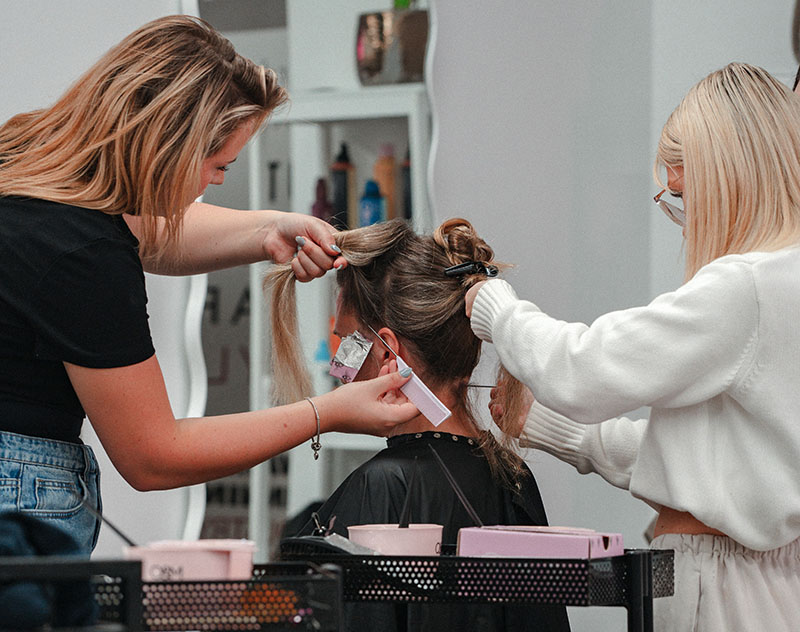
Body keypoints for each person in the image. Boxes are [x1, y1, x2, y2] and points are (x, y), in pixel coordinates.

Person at [0, 15, 417, 557]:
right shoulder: (81, 253)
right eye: (218, 164)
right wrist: (328, 412)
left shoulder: (24, 158)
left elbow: (136, 227)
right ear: (167, 146)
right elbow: (153, 455)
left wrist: (269, 229)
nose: (217, 181)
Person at [464, 62, 800, 632]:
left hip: (725, 592)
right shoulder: (781, 283)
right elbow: (708, 459)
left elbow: (584, 369)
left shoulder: (745, 289)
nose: (688, 224)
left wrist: (496, 309)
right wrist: (543, 424)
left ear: (725, 182)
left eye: (685, 199)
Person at [266, 218, 571, 632]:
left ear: (389, 351)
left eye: (349, 347)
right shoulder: (514, 478)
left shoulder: (382, 487)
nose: (340, 373)